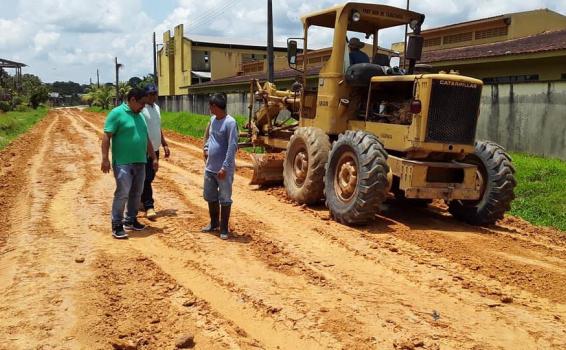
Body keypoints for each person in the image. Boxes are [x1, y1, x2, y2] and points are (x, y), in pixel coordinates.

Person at [101, 88, 158, 239]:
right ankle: (117, 224)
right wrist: (105, 158)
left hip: (140, 161)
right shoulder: (116, 113)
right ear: (132, 100)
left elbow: (145, 138)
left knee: (136, 193)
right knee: (122, 193)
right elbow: (107, 136)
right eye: (141, 103)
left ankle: (131, 220)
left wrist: (153, 157)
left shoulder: (140, 116)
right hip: (123, 162)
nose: (143, 107)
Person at [201, 93, 238, 240]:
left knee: (225, 198)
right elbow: (210, 138)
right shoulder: (212, 120)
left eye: (210, 106)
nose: (209, 109)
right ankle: (214, 223)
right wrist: (205, 148)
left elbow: (232, 146)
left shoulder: (230, 123)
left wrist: (225, 167)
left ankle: (223, 228)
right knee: (210, 196)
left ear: (215, 106)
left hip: (223, 170)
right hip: (210, 168)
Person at [140, 84, 170, 220]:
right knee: (146, 178)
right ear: (145, 95)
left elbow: (158, 128)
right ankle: (149, 206)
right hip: (144, 149)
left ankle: (140, 198)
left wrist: (164, 144)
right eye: (151, 94)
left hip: (156, 148)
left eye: (155, 93)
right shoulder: (141, 109)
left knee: (150, 176)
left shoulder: (157, 108)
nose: (153, 96)